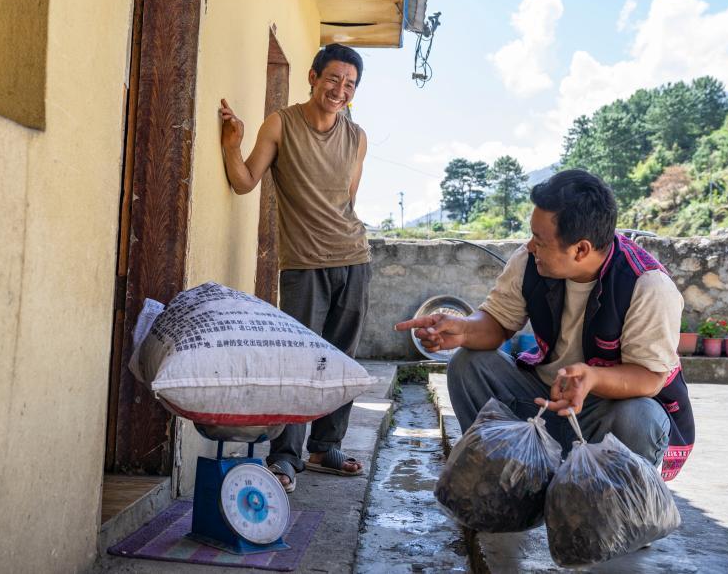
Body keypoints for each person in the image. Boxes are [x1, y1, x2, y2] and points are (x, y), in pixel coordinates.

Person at [396, 169, 695, 481]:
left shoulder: (647, 285)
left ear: (580, 249)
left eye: (539, 240)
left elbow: (649, 377)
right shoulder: (529, 261)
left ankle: (607, 499)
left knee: (641, 417)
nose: (530, 246)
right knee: (468, 365)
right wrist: (463, 329)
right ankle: (501, 484)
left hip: (604, 415)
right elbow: (498, 322)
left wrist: (592, 378)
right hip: (541, 400)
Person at [219, 43, 371, 493]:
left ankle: (325, 447)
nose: (340, 90)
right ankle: (285, 457)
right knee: (299, 360)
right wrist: (232, 145)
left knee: (341, 359)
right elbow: (244, 182)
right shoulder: (281, 124)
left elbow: (348, 202)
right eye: (333, 79)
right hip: (304, 265)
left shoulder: (357, 137)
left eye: (350, 84)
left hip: (354, 260)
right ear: (313, 77)